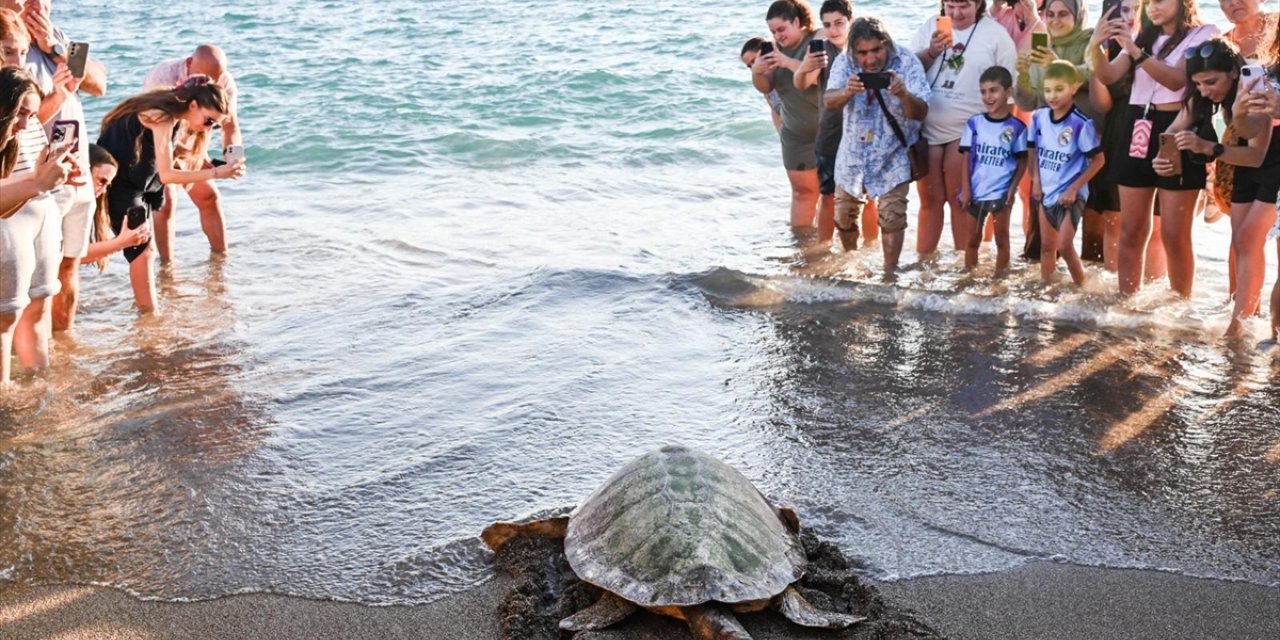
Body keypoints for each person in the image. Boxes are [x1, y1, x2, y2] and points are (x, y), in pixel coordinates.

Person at [1094, 0, 1218, 297]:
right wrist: (1096, 46)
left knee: (1174, 234)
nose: (1152, 7)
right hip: (1137, 122)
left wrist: (1136, 52)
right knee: (1132, 229)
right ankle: (1127, 303)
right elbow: (1109, 76)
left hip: (1177, 124)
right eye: (1148, 2)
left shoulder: (1203, 33)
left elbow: (1177, 80)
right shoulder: (1142, 36)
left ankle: (1179, 305)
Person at [95, 76, 245, 314]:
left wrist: (195, 157)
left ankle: (148, 310)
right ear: (193, 105)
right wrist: (217, 173)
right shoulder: (162, 115)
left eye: (215, 125)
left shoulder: (172, 114)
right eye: (209, 121)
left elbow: (158, 148)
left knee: (145, 251)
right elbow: (166, 175)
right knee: (142, 251)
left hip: (138, 180)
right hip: (121, 184)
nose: (209, 128)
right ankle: (148, 317)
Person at [1157, 39, 1275, 337]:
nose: (1205, 90)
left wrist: (1207, 147)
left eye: (1211, 82)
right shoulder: (1202, 97)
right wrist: (1164, 158)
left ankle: (1241, 326)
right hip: (1240, 167)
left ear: (1234, 73)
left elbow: (1257, 154)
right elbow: (1171, 131)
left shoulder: (1253, 89)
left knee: (1249, 239)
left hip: (1271, 163)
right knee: (1240, 242)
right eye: (1197, 84)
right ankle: (1245, 314)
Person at [20, 0, 108, 332]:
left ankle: (64, 346)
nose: (36, 4)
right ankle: (29, 352)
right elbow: (19, 121)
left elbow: (98, 84)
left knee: (70, 265)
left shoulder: (55, 36)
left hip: (78, 172)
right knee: (36, 271)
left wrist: (54, 47)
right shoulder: (10, 47)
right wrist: (56, 95)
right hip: (40, 175)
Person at [824, 16, 930, 273]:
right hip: (852, 155)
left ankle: (889, 274)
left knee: (892, 217)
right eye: (863, 53)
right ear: (854, 51)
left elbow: (922, 111)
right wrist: (846, 92)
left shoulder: (905, 61)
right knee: (843, 216)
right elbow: (828, 100)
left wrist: (903, 94)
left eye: (876, 50)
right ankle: (853, 266)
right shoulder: (844, 61)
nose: (870, 59)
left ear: (887, 44)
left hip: (893, 152)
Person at [911, 0, 1017, 257]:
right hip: (928, 129)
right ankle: (923, 268)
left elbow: (1009, 97)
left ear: (979, 3)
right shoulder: (928, 28)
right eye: (951, 6)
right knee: (930, 201)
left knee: (962, 201)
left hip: (969, 130)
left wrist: (1002, 143)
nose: (957, 13)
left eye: (964, 6)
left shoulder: (995, 35)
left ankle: (965, 270)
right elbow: (909, 71)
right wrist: (932, 51)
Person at [0, 64, 73, 385]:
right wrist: (36, 184)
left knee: (37, 306)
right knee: (5, 319)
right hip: (12, 225)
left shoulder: (23, 131)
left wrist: (48, 176)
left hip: (33, 216)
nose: (26, 123)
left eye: (31, 114)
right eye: (20, 114)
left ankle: (37, 387)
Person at [142, 44, 243, 261]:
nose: (211, 84)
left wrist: (232, 158)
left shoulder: (224, 82)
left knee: (209, 196)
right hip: (156, 144)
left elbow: (229, 125)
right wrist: (193, 157)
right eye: (205, 77)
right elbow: (155, 128)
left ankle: (221, 262)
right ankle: (167, 268)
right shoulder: (164, 75)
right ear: (189, 63)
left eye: (216, 79)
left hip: (191, 145)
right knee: (166, 202)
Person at [795, 0, 879, 245]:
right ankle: (823, 251)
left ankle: (870, 250)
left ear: (850, 21)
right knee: (829, 197)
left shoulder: (866, 49)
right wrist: (806, 66)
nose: (833, 30)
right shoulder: (821, 51)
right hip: (831, 134)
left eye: (839, 23)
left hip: (865, 136)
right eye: (827, 25)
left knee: (870, 197)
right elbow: (801, 84)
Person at [1029, 61, 1105, 285]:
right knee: (1046, 246)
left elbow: (1099, 160)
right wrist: (1035, 181)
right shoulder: (1039, 117)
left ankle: (1082, 287)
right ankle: (1048, 289)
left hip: (1071, 196)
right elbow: (1033, 150)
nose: (1052, 96)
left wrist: (1074, 189)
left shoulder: (1081, 124)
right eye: (1048, 90)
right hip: (1047, 192)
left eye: (1059, 89)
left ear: (1073, 88)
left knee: (1064, 245)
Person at [752, 1, 823, 230]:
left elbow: (811, 76)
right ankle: (802, 248)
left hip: (828, 131)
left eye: (781, 29)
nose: (777, 36)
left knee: (831, 194)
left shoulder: (815, 40)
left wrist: (785, 61)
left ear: (796, 22)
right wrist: (757, 72)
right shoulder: (774, 49)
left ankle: (830, 248)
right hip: (795, 134)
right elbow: (765, 87)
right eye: (773, 31)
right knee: (803, 193)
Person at [959, 66, 1028, 272]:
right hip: (976, 192)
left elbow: (1022, 161)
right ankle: (968, 278)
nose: (988, 96)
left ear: (1008, 92)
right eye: (983, 91)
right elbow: (966, 158)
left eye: (993, 90)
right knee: (972, 240)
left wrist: (1012, 188)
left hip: (1001, 194)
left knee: (1002, 241)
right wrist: (965, 189)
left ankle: (1000, 281)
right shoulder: (974, 124)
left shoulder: (1017, 128)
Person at [80, 143, 150, 270]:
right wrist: (120, 243)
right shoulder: (61, 202)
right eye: (101, 181)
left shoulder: (84, 206)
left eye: (108, 186)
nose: (103, 191)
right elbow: (73, 255)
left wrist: (122, 241)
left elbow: (76, 255)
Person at [741, 37, 784, 134]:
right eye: (749, 66)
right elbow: (775, 112)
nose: (753, 67)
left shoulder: (785, 70)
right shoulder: (764, 83)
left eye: (754, 61)